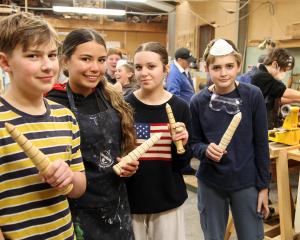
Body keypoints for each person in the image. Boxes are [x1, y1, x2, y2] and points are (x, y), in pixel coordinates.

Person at [0, 12, 86, 239]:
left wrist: (68, 177)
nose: (48, 66)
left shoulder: (65, 116)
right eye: (33, 56)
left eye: (51, 55)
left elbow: (79, 187)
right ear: (5, 62)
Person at [47, 28, 138, 240]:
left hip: (115, 206)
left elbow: (121, 148)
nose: (95, 68)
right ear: (65, 61)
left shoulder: (112, 98)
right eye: (86, 59)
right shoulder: (51, 102)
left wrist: (128, 163)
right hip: (73, 210)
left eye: (101, 60)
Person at [190, 39, 270, 240]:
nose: (223, 73)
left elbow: (261, 144)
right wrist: (205, 150)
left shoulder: (253, 95)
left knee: (252, 235)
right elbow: (193, 142)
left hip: (246, 180)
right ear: (207, 68)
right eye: (216, 67)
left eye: (229, 66)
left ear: (239, 66)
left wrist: (263, 187)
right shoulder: (198, 102)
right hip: (211, 181)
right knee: (213, 236)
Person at [125, 42, 193, 240]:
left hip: (168, 198)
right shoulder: (124, 106)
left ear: (166, 69)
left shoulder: (180, 107)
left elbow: (183, 162)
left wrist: (181, 143)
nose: (144, 73)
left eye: (151, 66)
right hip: (132, 199)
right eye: (138, 67)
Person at [251, 48, 300, 129]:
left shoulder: (270, 77)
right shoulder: (261, 77)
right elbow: (285, 92)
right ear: (274, 64)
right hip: (258, 125)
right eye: (284, 70)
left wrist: (296, 100)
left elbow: (279, 98)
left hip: (269, 123)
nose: (284, 73)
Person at [166, 47, 196, 175]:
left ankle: (186, 164)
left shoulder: (183, 71)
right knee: (183, 139)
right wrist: (180, 112)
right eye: (187, 60)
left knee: (187, 138)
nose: (189, 63)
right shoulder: (174, 73)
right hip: (180, 113)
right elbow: (173, 93)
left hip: (187, 110)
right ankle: (184, 166)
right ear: (179, 60)